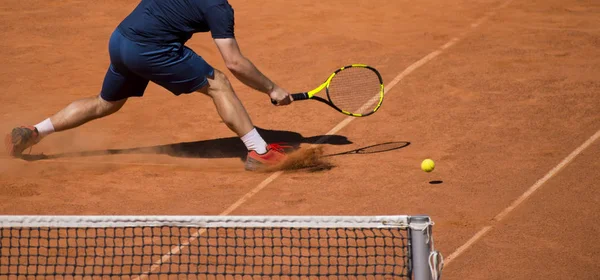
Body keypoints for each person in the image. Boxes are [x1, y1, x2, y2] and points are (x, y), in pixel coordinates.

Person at [4, 0, 293, 171]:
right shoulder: (218, 6)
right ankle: (258, 151)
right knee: (219, 83)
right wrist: (272, 88)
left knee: (106, 103)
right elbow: (235, 62)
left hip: (121, 39)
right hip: (149, 48)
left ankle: (35, 131)